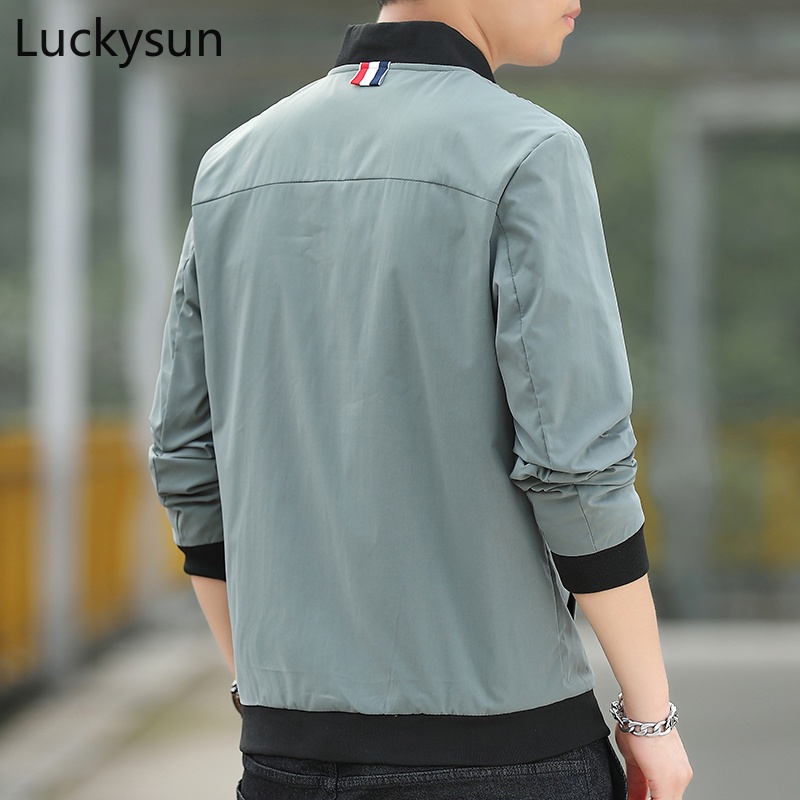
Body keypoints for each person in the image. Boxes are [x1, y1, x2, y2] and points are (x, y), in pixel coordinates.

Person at [148, 1, 693, 798]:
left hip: (283, 757)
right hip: (504, 754)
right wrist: (650, 722)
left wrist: (269, 695)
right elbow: (576, 468)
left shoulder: (232, 164)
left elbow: (186, 463)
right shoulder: (530, 150)